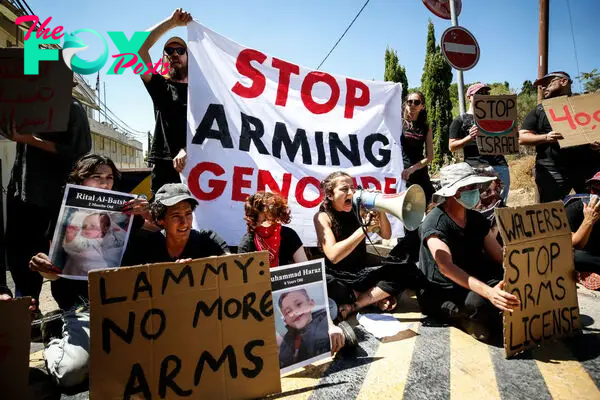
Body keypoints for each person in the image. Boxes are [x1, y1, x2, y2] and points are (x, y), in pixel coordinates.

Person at [2, 94, 91, 310]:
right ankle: (27, 312)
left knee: (58, 262)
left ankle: (68, 315)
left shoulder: (72, 107)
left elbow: (79, 149)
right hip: (21, 195)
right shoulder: (24, 103)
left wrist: (29, 139)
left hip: (55, 199)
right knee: (21, 260)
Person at [239, 191, 355, 351]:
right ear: (254, 219)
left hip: (294, 303)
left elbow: (309, 277)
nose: (271, 223)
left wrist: (328, 323)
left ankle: (329, 330)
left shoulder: (288, 235)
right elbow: (247, 292)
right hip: (266, 306)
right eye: (265, 219)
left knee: (331, 307)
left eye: (275, 217)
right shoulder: (248, 244)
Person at [417, 162, 520, 342]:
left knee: (509, 287)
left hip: (473, 279)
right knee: (480, 304)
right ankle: (466, 320)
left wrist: (530, 272)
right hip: (443, 291)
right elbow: (445, 267)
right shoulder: (435, 222)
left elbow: (501, 256)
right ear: (455, 192)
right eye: (471, 187)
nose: (477, 192)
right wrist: (489, 292)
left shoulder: (476, 219)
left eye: (476, 186)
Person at [314, 171, 417, 319]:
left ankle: (356, 304)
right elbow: (333, 256)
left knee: (408, 269)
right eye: (344, 189)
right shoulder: (322, 217)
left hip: (361, 270)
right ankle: (374, 297)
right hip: (339, 275)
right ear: (330, 195)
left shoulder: (358, 210)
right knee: (335, 293)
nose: (351, 192)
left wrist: (379, 208)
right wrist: (364, 229)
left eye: (353, 188)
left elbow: (386, 235)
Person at [519, 71, 600, 202]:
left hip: (588, 170)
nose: (543, 88)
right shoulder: (539, 110)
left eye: (548, 83)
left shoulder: (586, 104)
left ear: (563, 82)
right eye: (542, 86)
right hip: (553, 171)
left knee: (593, 208)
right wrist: (546, 137)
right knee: (551, 214)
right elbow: (522, 137)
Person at [138, 8, 193, 194]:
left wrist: (188, 149)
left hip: (201, 168)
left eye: (180, 50)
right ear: (166, 57)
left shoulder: (203, 91)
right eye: (170, 50)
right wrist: (171, 23)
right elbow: (135, 47)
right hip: (165, 169)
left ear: (188, 56)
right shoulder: (160, 86)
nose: (175, 53)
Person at [122, 183, 230, 266]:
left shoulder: (209, 240)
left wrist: (200, 266)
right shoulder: (145, 247)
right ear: (160, 219)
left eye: (188, 214)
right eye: (176, 216)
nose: (184, 222)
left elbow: (233, 265)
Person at [449, 83, 510, 202]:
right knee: (479, 206)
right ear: (469, 97)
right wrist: (469, 137)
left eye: (486, 93)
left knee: (500, 205)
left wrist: (509, 133)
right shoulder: (460, 120)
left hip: (500, 167)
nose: (483, 96)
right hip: (476, 168)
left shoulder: (496, 117)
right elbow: (452, 146)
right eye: (479, 93)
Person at [238, 191, 307, 266]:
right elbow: (244, 274)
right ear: (253, 221)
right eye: (263, 221)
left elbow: (305, 268)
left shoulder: (289, 235)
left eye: (272, 219)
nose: (268, 224)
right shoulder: (248, 242)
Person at [278, 289, 331, 369]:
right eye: (288, 312)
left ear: (311, 304)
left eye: (298, 304)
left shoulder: (327, 324)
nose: (295, 312)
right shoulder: (284, 345)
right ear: (285, 320)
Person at [401, 91, 435, 204]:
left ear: (422, 106)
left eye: (416, 102)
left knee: (429, 205)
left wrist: (413, 168)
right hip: (402, 173)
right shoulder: (398, 123)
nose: (412, 105)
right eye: (409, 102)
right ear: (405, 104)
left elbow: (430, 156)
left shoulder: (425, 127)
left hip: (419, 172)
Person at [566, 171, 600, 276]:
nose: (597, 196)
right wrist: (589, 221)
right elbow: (573, 244)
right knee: (572, 256)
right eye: (595, 190)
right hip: (585, 255)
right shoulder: (574, 207)